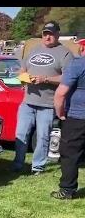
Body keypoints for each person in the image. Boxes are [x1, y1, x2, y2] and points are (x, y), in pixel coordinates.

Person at [11, 21, 74, 175]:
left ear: (57, 34)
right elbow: (22, 69)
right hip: (27, 101)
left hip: (47, 103)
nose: (47, 36)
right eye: (45, 33)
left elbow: (68, 77)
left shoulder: (64, 53)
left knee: (43, 136)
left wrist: (46, 79)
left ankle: (38, 167)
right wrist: (23, 77)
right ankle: (18, 165)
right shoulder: (34, 49)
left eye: (51, 34)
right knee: (21, 134)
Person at [51, 39, 85, 199]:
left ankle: (67, 189)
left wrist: (60, 113)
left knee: (70, 153)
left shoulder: (78, 64)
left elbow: (60, 93)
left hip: (77, 116)